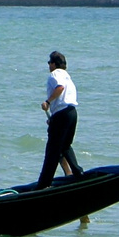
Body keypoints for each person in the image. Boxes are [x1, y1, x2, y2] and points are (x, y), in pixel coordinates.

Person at [37, 50, 82, 190]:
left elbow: (59, 88)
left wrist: (48, 102)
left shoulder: (55, 74)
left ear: (54, 64)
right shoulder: (68, 76)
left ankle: (44, 184)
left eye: (49, 62)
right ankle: (78, 173)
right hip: (71, 113)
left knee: (53, 150)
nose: (48, 65)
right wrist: (54, 118)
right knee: (65, 146)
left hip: (62, 114)